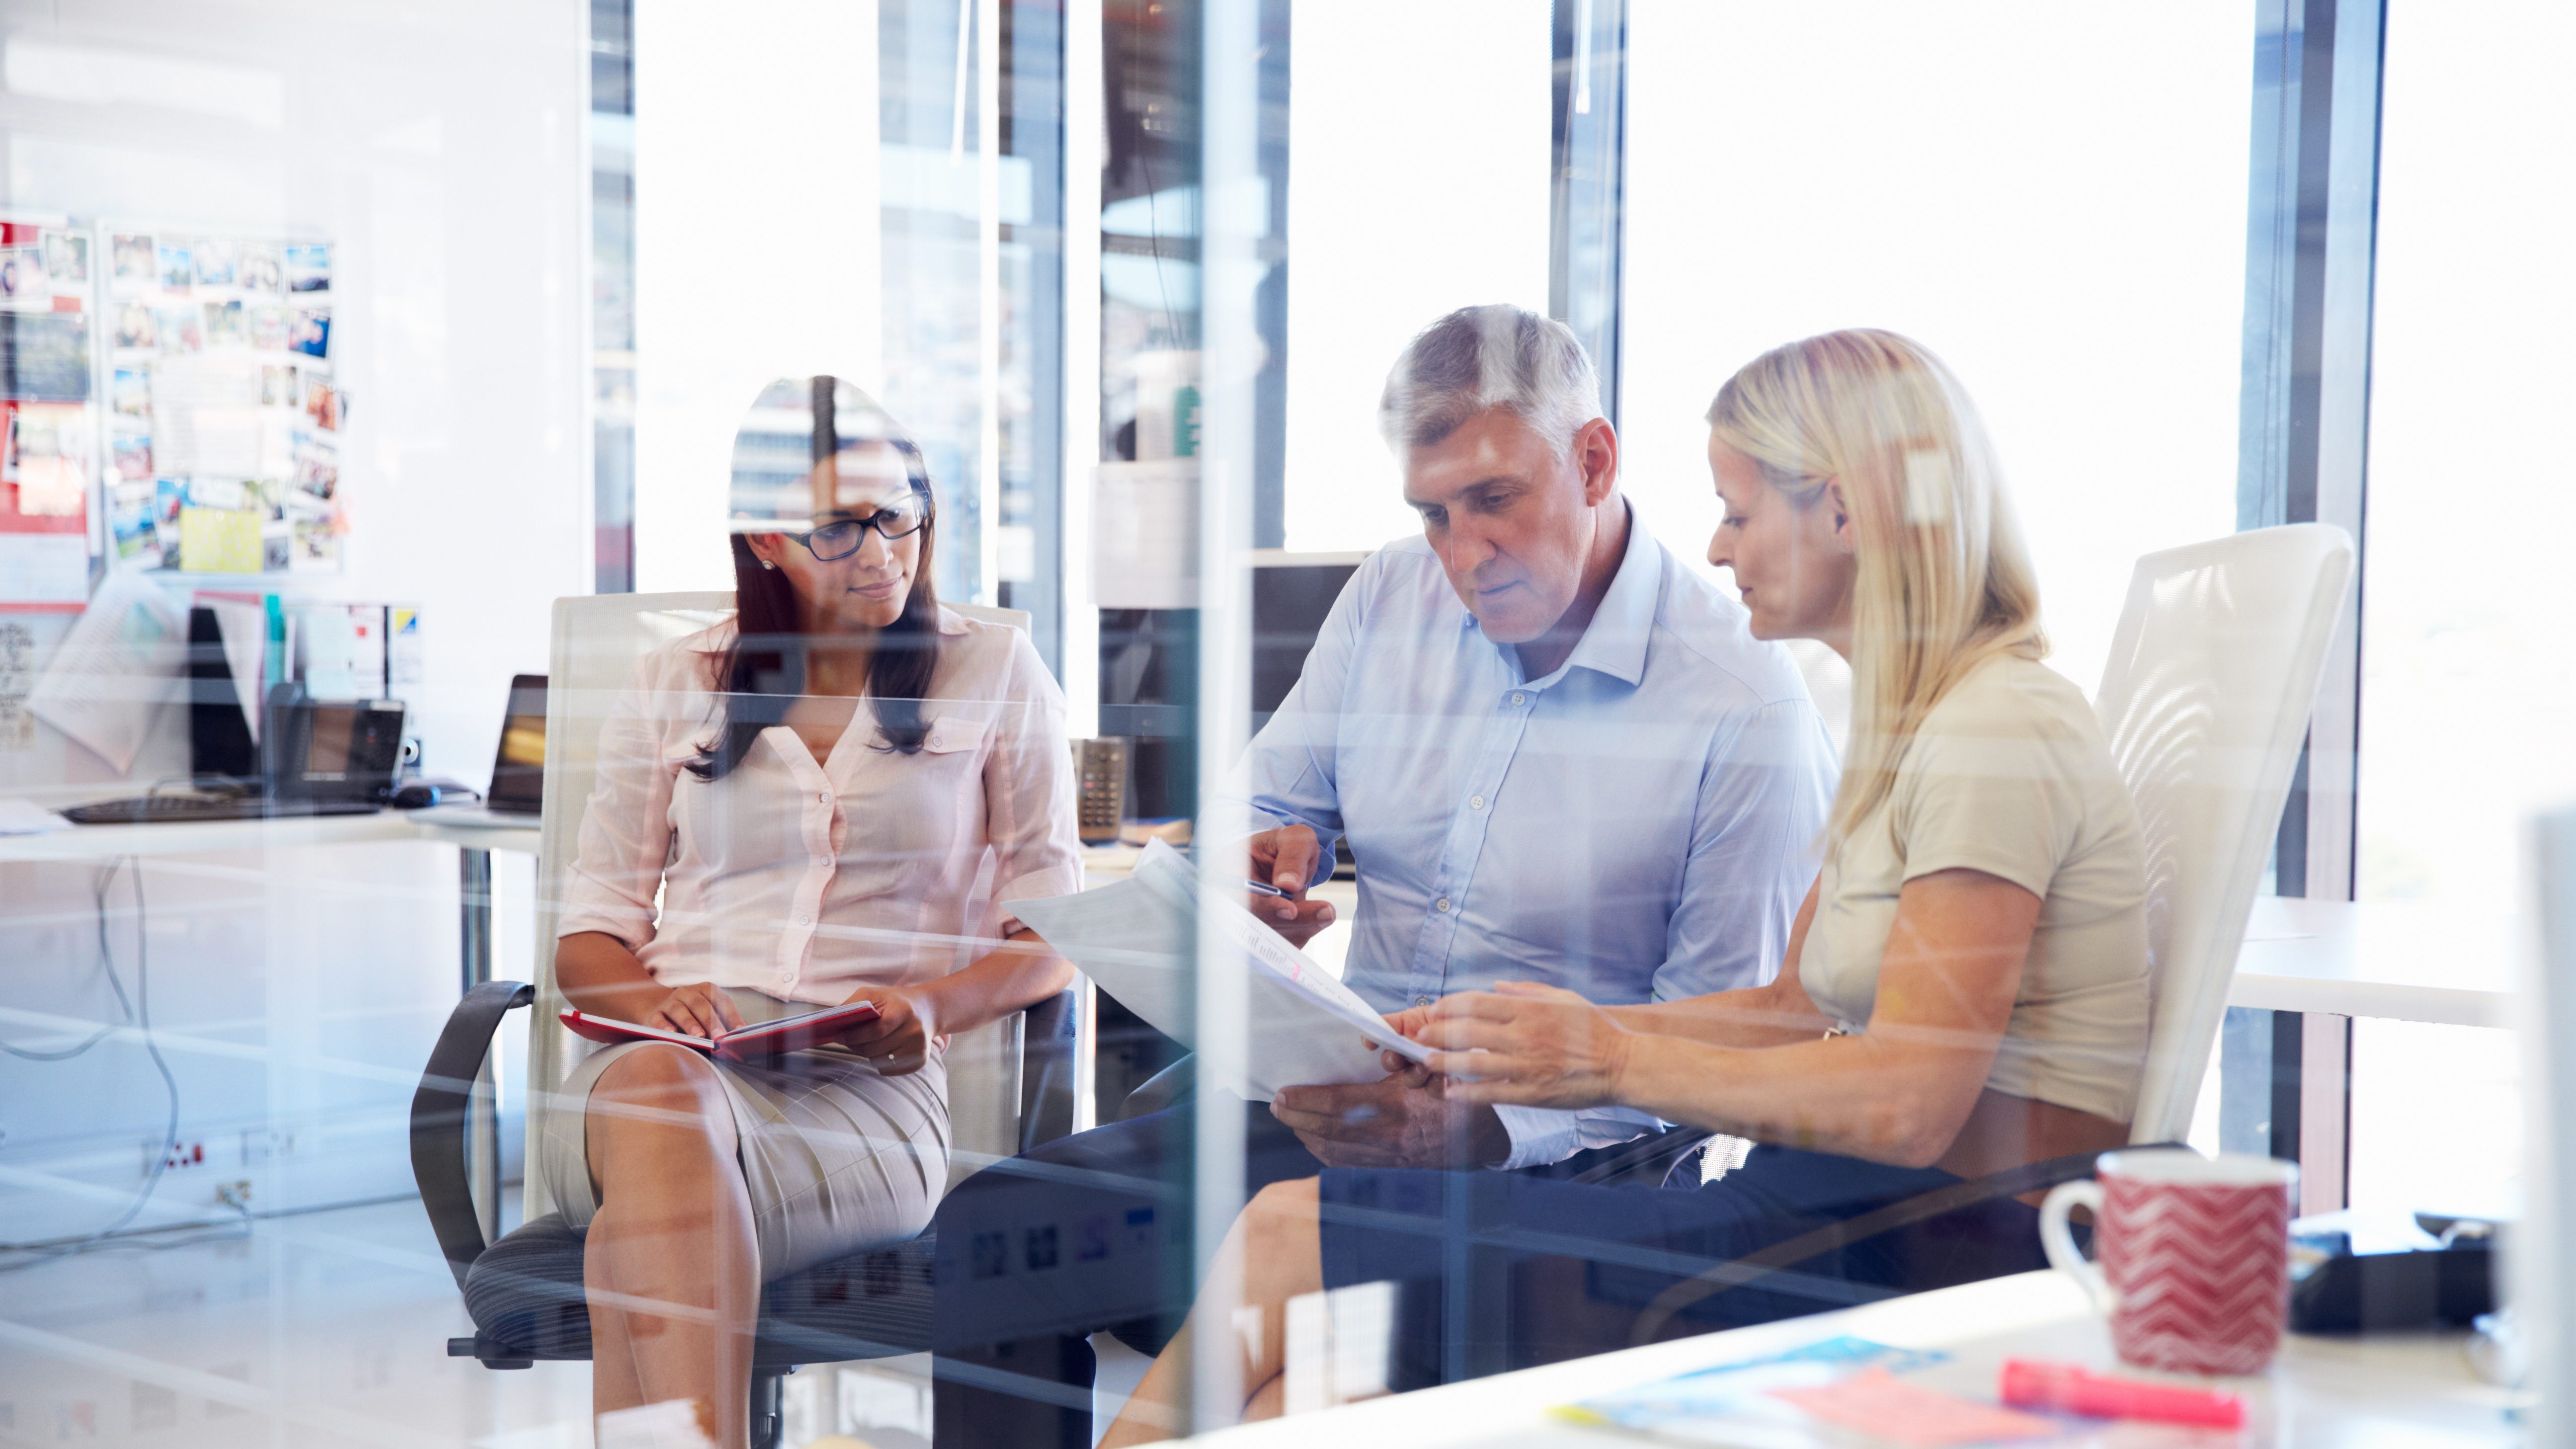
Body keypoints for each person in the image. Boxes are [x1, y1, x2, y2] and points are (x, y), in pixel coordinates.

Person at [1100, 327, 2153, 1442]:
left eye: (1741, 511)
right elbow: (1791, 1012)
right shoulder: (1917, 729)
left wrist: (1605, 1058)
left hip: (1917, 1250)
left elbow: (1909, 1102)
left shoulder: (2000, 725)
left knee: (1283, 1235)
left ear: (1841, 511)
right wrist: (1534, 1042)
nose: (1715, 541)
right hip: (1824, 1212)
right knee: (1317, 1389)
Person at [931, 306, 1838, 1444]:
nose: (1461, 554)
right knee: (993, 1232)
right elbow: (1259, 807)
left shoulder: (1744, 704)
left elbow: (1714, 1048)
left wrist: (1490, 1128)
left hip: (1565, 1169)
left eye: (1495, 501)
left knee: (1308, 1367)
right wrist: (1248, 874)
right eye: (1433, 513)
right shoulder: (1389, 599)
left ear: (1595, 459)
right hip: (1338, 1112)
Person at [536, 377, 1082, 1447]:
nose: (883, 552)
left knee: (642, 1228)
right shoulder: (676, 680)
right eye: (842, 528)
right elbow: (591, 935)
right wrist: (652, 1004)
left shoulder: (994, 671)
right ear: (768, 539)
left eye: (901, 514)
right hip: (663, 1061)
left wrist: (928, 1007)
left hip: (861, 1094)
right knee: (662, 1098)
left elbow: (1053, 941)